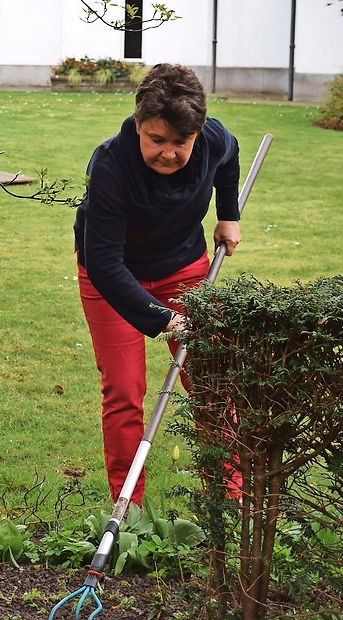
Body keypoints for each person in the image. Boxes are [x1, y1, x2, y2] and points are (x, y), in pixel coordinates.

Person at [73, 63, 241, 506]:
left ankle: (229, 499)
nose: (169, 153)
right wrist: (165, 319)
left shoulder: (212, 139)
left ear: (197, 132)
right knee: (125, 391)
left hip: (183, 267)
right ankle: (129, 510)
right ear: (138, 124)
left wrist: (229, 215)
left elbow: (232, 151)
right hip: (111, 274)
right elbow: (105, 264)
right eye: (157, 140)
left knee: (213, 383)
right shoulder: (111, 164)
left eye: (180, 143)